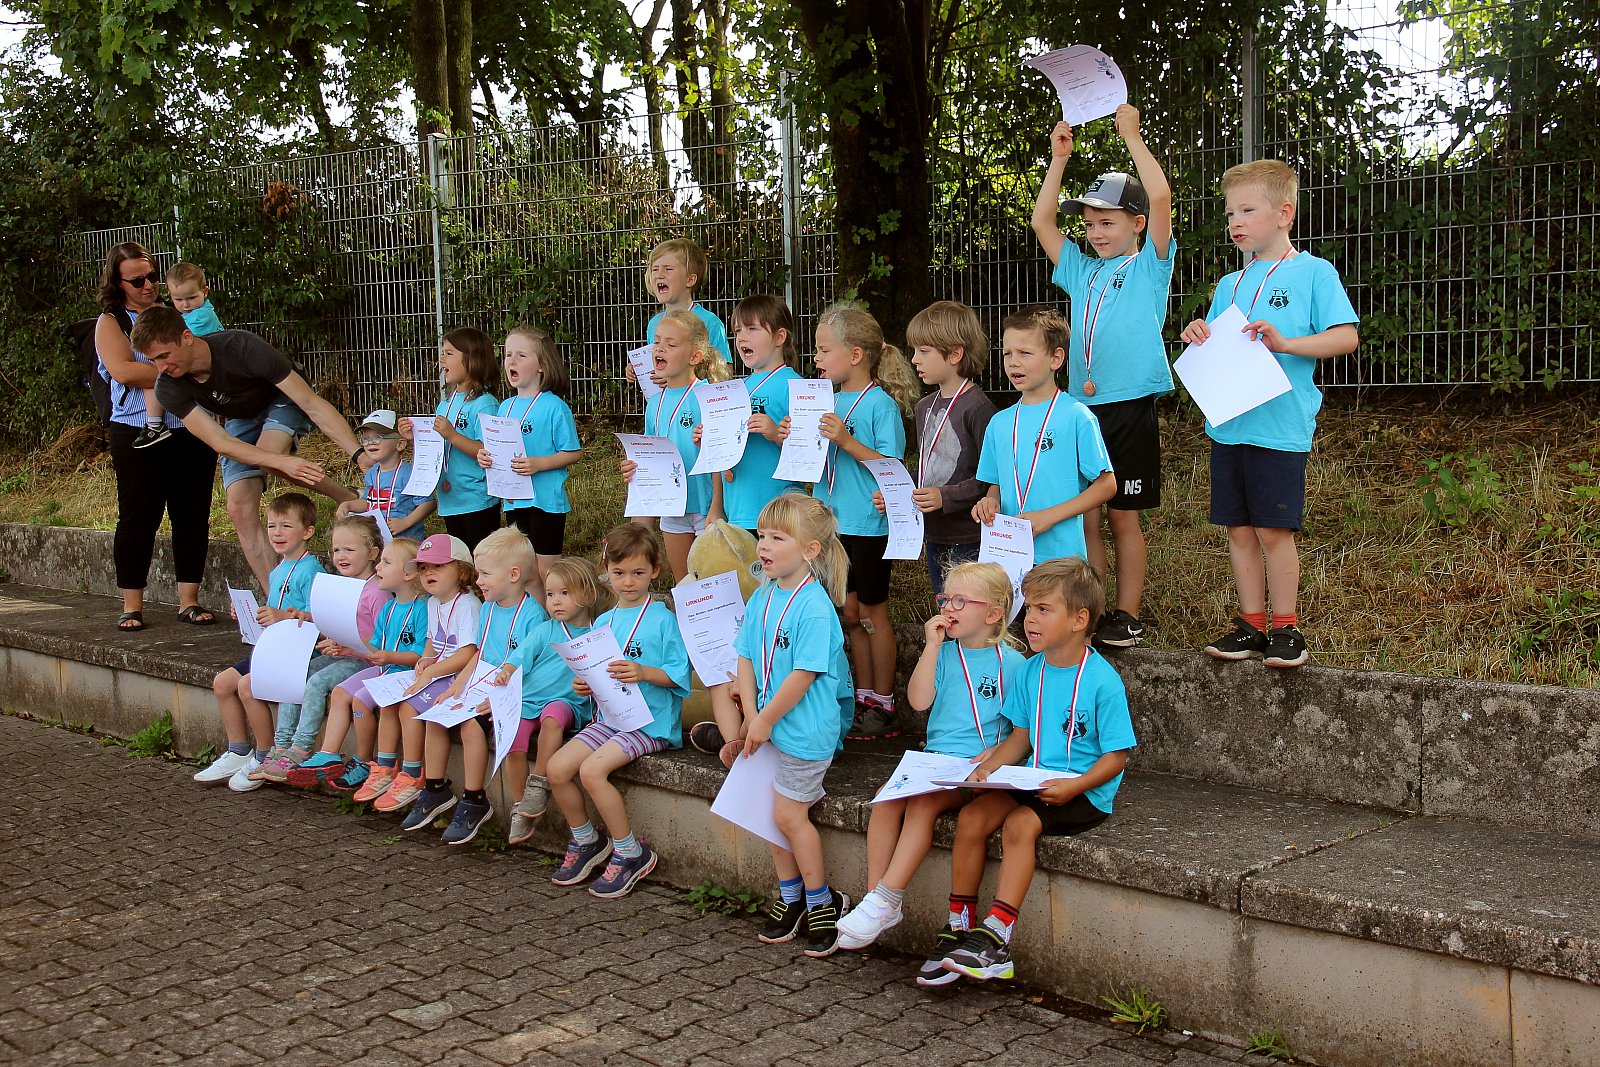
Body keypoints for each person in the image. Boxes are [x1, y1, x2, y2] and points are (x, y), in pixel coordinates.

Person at [1179, 159, 1360, 668]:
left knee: (1273, 531)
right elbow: (1219, 346)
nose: (1235, 222)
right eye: (1229, 213)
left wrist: (1287, 343)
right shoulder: (1228, 284)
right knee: (1238, 530)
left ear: (1284, 213)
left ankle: (1286, 628)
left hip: (1279, 427)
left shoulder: (1314, 273)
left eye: (1247, 210)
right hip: (1229, 425)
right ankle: (1251, 625)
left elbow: (1346, 337)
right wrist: (1197, 334)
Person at [935, 558, 1136, 983]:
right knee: (972, 816)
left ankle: (997, 938)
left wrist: (1075, 787)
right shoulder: (1031, 670)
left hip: (1083, 791)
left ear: (1079, 619)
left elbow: (1116, 758)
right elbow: (1020, 738)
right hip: (1032, 778)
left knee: (1020, 825)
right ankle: (959, 926)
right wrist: (986, 770)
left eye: (1044, 609)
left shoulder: (1103, 681)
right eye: (1028, 608)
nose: (1030, 619)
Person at [1032, 104, 1176, 648]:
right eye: (1089, 224)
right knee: (1088, 517)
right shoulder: (1081, 270)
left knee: (1123, 518)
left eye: (1107, 222)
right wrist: (1057, 160)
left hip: (1130, 405)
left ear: (1136, 224)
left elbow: (1160, 197)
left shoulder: (1149, 265)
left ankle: (1126, 614)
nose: (1095, 232)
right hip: (1081, 410)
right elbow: (1043, 222)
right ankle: (1088, 609)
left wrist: (1133, 137)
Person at [837, 561, 1024, 978]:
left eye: (960, 601)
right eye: (944, 599)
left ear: (993, 613)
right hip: (934, 762)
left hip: (974, 770)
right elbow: (919, 701)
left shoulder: (1012, 664)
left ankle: (886, 898)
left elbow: (1022, 730)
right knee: (886, 801)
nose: (948, 608)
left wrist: (995, 753)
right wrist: (932, 647)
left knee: (920, 806)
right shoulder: (943, 652)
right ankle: (878, 900)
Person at [130, 306, 364, 590]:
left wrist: (358, 453)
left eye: (164, 356)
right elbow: (221, 443)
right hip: (241, 416)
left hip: (281, 397)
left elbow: (310, 403)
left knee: (269, 454)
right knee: (239, 506)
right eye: (153, 360)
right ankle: (276, 598)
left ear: (186, 337)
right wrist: (280, 462)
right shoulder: (167, 387)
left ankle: (348, 497)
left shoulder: (241, 347)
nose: (161, 368)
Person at [727, 494, 855, 958]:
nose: (763, 545)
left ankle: (823, 901)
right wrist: (749, 716)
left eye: (777, 538)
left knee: (787, 816)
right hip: (767, 727)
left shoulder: (815, 607)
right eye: (762, 535)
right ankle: (791, 894)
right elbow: (745, 655)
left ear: (810, 550)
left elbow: (803, 675)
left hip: (804, 732)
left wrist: (762, 719)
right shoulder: (763, 595)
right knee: (769, 814)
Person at [794, 303, 917, 740]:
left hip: (868, 525)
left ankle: (883, 701)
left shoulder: (880, 405)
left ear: (856, 355)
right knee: (848, 611)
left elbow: (891, 466)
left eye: (824, 350)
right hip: (832, 524)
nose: (816, 358)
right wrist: (792, 435)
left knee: (871, 612)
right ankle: (863, 695)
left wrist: (846, 440)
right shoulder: (824, 400)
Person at [547, 522, 689, 898]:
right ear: (606, 571)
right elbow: (596, 672)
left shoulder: (664, 620)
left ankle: (630, 852)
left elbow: (680, 675)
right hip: (610, 718)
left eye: (638, 573)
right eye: (619, 572)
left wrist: (644, 672)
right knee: (556, 769)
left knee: (592, 771)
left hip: (650, 723)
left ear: (655, 571)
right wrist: (585, 684)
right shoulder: (604, 621)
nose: (628, 582)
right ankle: (586, 840)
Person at [92, 243, 218, 631]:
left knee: (192, 513)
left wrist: (176, 372)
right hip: (135, 428)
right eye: (137, 280)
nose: (148, 285)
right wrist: (177, 371)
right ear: (118, 283)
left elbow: (210, 355)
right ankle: (132, 605)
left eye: (151, 277)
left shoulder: (179, 310)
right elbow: (124, 371)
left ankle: (189, 600)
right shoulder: (111, 321)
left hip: (191, 425)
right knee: (138, 516)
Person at [400, 529, 546, 844]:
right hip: (482, 684)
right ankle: (434, 789)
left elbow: (531, 667)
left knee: (469, 725)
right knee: (437, 713)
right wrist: (458, 685)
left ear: (513, 574)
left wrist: (500, 698)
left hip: (510, 692)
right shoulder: (490, 607)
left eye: (485, 574)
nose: (478, 581)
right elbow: (480, 652)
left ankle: (474, 798)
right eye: (478, 573)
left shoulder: (533, 615)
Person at [192, 493, 325, 790]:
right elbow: (274, 613)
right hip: (271, 648)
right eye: (271, 526)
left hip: (296, 655)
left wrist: (284, 616)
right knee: (222, 683)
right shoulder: (278, 569)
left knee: (247, 686)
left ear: (307, 531)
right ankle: (239, 750)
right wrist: (250, 615)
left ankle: (265, 755)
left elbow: (320, 619)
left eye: (286, 526)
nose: (277, 533)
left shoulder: (312, 571)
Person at [972, 307, 1118, 570]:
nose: (1013, 362)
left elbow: (1107, 485)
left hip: (1061, 562)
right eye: (1007, 353)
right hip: (1009, 558)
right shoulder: (999, 423)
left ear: (1056, 358)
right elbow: (996, 485)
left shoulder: (1076, 416)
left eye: (1025, 353)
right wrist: (990, 502)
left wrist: (1049, 517)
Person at [254, 516, 390, 782]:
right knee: (294, 672)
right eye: (336, 550)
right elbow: (330, 624)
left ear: (373, 553)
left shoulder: (377, 592)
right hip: (342, 654)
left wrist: (349, 648)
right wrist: (306, 617)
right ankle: (281, 745)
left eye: (349, 550)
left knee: (317, 682)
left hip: (364, 662)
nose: (341, 556)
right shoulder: (338, 584)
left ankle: (301, 748)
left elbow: (383, 645)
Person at [288, 536, 426, 792]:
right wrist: (349, 649)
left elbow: (420, 655)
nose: (378, 567)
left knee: (364, 699)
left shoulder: (422, 609)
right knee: (341, 692)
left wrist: (389, 657)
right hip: (385, 669)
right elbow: (375, 648)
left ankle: (369, 762)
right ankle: (330, 755)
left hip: (404, 673)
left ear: (408, 574)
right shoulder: (389, 608)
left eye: (386, 563)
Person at [496, 555, 613, 845]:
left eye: (564, 593)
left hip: (567, 703)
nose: (555, 601)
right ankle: (521, 806)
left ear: (587, 594)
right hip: (529, 700)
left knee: (553, 717)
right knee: (514, 741)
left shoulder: (598, 633)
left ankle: (539, 783)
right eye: (550, 595)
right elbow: (520, 657)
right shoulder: (545, 630)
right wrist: (507, 671)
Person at [366, 535, 481, 814]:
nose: (429, 572)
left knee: (412, 707)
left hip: (459, 676)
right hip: (439, 671)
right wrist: (426, 659)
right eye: (424, 567)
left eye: (438, 566)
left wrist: (431, 672)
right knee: (396, 702)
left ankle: (413, 774)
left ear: (461, 571)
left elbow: (468, 653)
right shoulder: (432, 602)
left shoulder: (467, 605)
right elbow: (432, 641)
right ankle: (399, 770)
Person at [620, 309, 732, 585]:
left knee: (713, 585)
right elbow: (650, 457)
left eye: (671, 344)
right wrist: (635, 469)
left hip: (704, 507)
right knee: (685, 586)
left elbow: (718, 457)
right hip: (672, 509)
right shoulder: (654, 404)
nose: (659, 349)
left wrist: (716, 507)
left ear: (695, 357)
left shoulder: (707, 396)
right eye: (657, 342)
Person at [898, 300, 997, 595]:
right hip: (934, 533)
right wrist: (898, 495)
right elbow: (927, 468)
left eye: (924, 351)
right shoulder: (924, 407)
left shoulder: (979, 408)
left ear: (955, 353)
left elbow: (991, 478)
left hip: (970, 534)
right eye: (914, 350)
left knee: (969, 607)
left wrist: (946, 496)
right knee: (945, 605)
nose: (915, 359)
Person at [482, 325, 582, 598]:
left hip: (545, 501)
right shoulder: (505, 407)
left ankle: (557, 617)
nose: (512, 361)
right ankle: (535, 618)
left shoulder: (554, 406)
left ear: (542, 366)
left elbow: (573, 452)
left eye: (521, 355)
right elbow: (497, 451)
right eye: (508, 355)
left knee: (547, 571)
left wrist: (540, 464)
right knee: (524, 571)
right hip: (514, 500)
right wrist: (485, 457)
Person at [706, 294, 803, 537]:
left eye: (752, 329)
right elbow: (722, 454)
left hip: (777, 515)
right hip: (736, 510)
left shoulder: (796, 386)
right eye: (738, 330)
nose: (741, 337)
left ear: (779, 337)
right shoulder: (736, 388)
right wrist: (708, 439)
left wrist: (775, 434)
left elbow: (811, 454)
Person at [401, 328, 502, 551]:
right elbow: (439, 448)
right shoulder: (445, 404)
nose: (441, 359)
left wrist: (453, 435)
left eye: (449, 353)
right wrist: (415, 438)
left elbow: (488, 451)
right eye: (442, 352)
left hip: (477, 500)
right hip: (450, 500)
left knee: (481, 559)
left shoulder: (485, 403)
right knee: (460, 560)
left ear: (472, 359)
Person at [130, 261, 226, 450]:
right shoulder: (192, 314)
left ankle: (155, 424)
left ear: (205, 292)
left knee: (156, 379)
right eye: (179, 300)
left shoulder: (200, 317)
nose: (186, 304)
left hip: (204, 371)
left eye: (191, 297)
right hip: (203, 372)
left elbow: (181, 345)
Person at [337, 409, 434, 541]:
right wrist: (347, 505)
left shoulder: (409, 473)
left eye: (377, 437)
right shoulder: (372, 473)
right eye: (365, 439)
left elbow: (428, 504)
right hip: (380, 540)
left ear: (400, 444)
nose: (370, 442)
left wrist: (405, 522)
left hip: (406, 543)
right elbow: (368, 502)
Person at [645, 237, 731, 359]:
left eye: (668, 269)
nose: (659, 274)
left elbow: (725, 368)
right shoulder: (654, 323)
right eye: (655, 269)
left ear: (690, 280)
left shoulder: (710, 322)